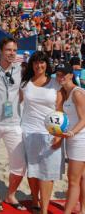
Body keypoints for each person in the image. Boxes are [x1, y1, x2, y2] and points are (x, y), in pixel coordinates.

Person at [0, 38, 26, 212]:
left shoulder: (21, 70)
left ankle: (11, 194)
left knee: (20, 163)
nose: (12, 53)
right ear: (0, 51)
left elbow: (23, 93)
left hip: (14, 123)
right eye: (8, 50)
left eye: (14, 50)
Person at [20, 51, 64, 214]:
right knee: (33, 170)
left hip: (50, 133)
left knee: (47, 173)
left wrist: (59, 135)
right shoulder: (25, 83)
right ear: (32, 65)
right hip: (29, 131)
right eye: (36, 62)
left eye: (42, 62)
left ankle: (44, 209)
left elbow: (60, 109)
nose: (39, 65)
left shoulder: (55, 83)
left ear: (47, 64)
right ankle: (34, 199)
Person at [53, 62, 85, 214]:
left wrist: (71, 133)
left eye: (63, 75)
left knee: (73, 180)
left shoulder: (77, 93)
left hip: (80, 139)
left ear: (71, 75)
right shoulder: (65, 92)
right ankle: (83, 209)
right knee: (81, 177)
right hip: (74, 138)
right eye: (58, 75)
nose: (60, 78)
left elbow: (84, 119)